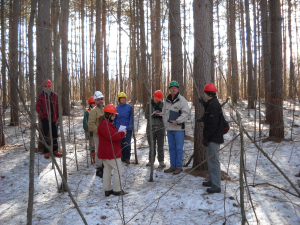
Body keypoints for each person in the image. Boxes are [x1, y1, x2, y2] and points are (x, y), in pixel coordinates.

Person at [198, 83, 224, 194]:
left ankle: (216, 185)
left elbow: (213, 124)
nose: (203, 94)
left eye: (205, 92)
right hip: (212, 137)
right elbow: (209, 116)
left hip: (213, 138)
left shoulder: (214, 106)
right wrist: (205, 105)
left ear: (208, 94)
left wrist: (206, 137)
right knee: (211, 160)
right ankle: (213, 181)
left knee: (214, 161)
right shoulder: (212, 104)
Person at [97, 104, 128, 196]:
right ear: (109, 115)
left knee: (108, 169)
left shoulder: (106, 122)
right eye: (114, 115)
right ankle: (117, 190)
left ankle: (107, 189)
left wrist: (121, 133)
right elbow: (112, 136)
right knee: (118, 169)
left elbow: (112, 134)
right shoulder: (105, 123)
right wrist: (122, 134)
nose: (115, 117)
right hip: (110, 152)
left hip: (108, 151)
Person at [162, 81, 190, 175]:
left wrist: (177, 121)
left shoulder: (182, 100)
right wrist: (166, 123)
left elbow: (186, 113)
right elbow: (164, 114)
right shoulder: (166, 101)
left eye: (175, 88)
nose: (173, 89)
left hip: (178, 129)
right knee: (171, 148)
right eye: (172, 88)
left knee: (178, 148)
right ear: (169, 89)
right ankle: (172, 166)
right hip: (169, 129)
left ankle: (178, 166)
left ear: (178, 89)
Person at [36, 79, 62, 158]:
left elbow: (58, 107)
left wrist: (58, 117)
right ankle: (46, 151)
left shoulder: (55, 95)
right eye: (48, 87)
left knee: (54, 135)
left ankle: (55, 151)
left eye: (50, 86)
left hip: (54, 119)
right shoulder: (41, 96)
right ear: (44, 87)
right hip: (45, 119)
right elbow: (37, 107)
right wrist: (42, 116)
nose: (49, 88)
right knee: (45, 135)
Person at [145, 90, 166, 167]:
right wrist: (151, 115)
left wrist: (161, 114)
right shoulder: (149, 104)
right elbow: (146, 116)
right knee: (152, 145)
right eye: (156, 98)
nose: (157, 100)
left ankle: (161, 161)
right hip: (151, 127)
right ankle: (151, 160)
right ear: (154, 96)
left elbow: (166, 114)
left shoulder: (162, 104)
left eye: (158, 99)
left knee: (160, 145)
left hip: (160, 127)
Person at [88, 91, 104, 177]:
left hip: (105, 136)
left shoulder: (105, 109)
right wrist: (99, 131)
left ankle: (104, 166)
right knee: (99, 152)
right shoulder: (93, 111)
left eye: (101, 99)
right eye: (98, 100)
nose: (101, 101)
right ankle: (99, 168)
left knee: (105, 151)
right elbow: (91, 124)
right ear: (95, 100)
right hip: (97, 136)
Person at [114, 92, 132, 164]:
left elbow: (131, 117)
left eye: (124, 98)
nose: (123, 99)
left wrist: (130, 126)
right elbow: (114, 118)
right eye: (121, 98)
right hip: (119, 128)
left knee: (127, 143)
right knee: (120, 143)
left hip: (127, 128)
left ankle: (127, 157)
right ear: (119, 99)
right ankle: (120, 156)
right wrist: (114, 128)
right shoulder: (116, 108)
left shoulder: (129, 107)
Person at [83, 96, 96, 162]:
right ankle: (94, 157)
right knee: (92, 145)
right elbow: (84, 122)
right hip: (90, 132)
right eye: (93, 103)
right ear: (90, 104)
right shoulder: (87, 113)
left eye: (95, 102)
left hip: (98, 132)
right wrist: (86, 131)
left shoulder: (99, 111)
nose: (94, 104)